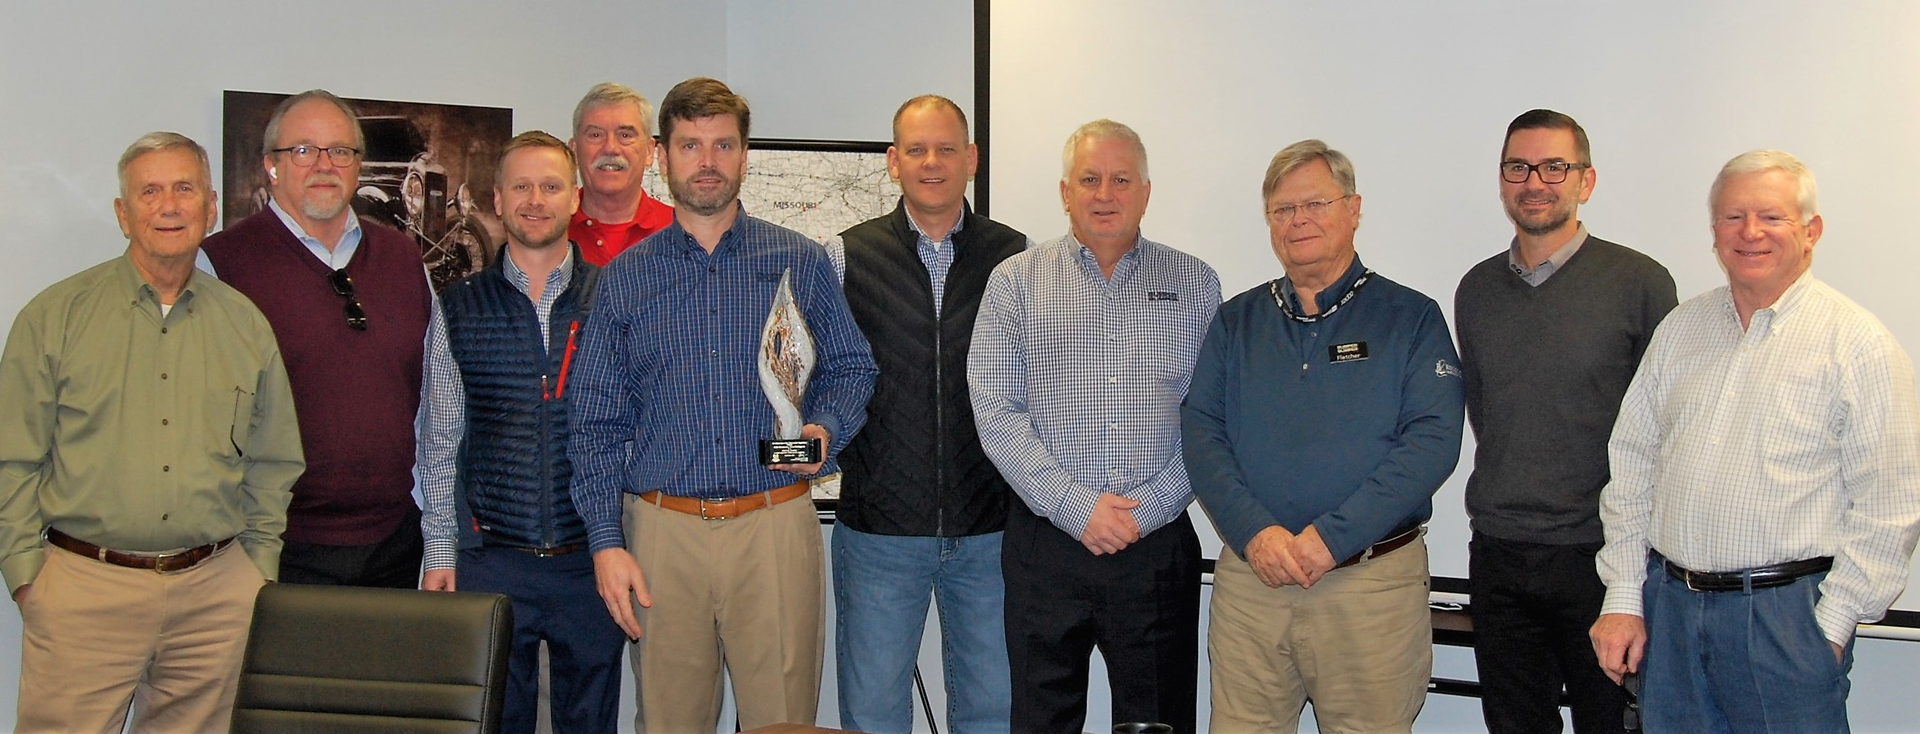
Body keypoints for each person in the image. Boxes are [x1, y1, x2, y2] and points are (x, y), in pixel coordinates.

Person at [567, 77, 878, 733]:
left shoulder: (798, 259)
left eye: (722, 145)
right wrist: (604, 542)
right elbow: (593, 423)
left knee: (784, 721)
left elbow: (852, 366)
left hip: (773, 523)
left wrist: (825, 430)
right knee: (670, 721)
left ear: (743, 156)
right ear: (663, 156)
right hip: (660, 534)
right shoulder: (627, 277)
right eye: (690, 145)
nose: (706, 162)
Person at [1590, 149, 1920, 732]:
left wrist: (1832, 624)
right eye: (1732, 217)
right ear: (1713, 232)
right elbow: (1634, 466)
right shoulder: (1680, 330)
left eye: (1771, 216)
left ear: (1811, 231)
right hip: (1670, 608)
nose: (1750, 233)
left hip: (1786, 618)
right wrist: (1623, 595)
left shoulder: (1857, 345)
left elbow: (1890, 507)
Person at [0, 132, 304, 732]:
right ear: (123, 213)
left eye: (184, 189)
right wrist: (26, 577)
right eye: (150, 191)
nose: (169, 205)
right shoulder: (55, 317)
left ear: (210, 208)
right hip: (86, 589)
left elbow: (273, 462)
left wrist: (255, 572)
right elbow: (12, 459)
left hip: (214, 595)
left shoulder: (244, 324)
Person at [1182, 139, 1464, 733]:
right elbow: (1202, 432)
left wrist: (1329, 540)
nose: (1299, 220)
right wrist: (1255, 533)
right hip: (1251, 584)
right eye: (1283, 210)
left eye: (1315, 203)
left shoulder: (1411, 318)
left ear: (1353, 209)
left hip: (1369, 590)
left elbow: (1432, 443)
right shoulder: (1236, 322)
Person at [969, 119, 1219, 734]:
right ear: (1064, 192)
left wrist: (1149, 508)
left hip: (1155, 545)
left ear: (1146, 192)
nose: (1104, 193)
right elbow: (997, 411)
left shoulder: (1195, 284)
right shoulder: (1014, 282)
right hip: (1046, 543)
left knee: (1158, 723)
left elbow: (1211, 419)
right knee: (1041, 722)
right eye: (1089, 179)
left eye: (1121, 179)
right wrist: (1079, 509)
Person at [1455, 109, 1677, 733]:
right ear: (1502, 180)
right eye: (1518, 167)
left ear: (1587, 180)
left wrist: (1632, 570)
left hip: (1602, 559)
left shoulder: (1641, 283)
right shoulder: (1476, 289)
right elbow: (1487, 410)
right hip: (1499, 553)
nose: (1535, 181)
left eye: (1555, 166)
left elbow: (1665, 430)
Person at [823, 94, 1028, 734]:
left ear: (971, 159)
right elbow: (822, 376)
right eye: (916, 149)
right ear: (892, 161)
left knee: (993, 710)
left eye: (946, 149)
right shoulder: (845, 256)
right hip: (878, 533)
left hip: (990, 530)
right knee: (874, 712)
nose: (931, 162)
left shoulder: (1015, 257)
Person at [418, 131, 624, 733]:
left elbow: (632, 429)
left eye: (551, 186)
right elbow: (440, 439)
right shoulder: (456, 306)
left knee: (591, 721)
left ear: (574, 199)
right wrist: (439, 549)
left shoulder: (612, 299)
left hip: (591, 560)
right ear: (498, 201)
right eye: (522, 187)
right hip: (492, 562)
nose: (537, 199)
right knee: (494, 721)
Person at [202, 89, 446, 588]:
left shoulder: (402, 259)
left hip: (394, 545)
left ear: (358, 166)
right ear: (271, 165)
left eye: (340, 151)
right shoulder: (221, 265)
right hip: (274, 549)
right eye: (303, 150)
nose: (324, 165)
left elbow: (436, 402)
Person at [568, 83, 673, 266]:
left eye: (625, 135)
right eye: (595, 135)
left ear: (649, 152)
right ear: (574, 151)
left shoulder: (680, 230)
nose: (610, 148)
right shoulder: (550, 228)